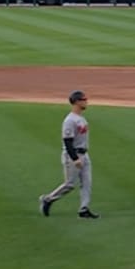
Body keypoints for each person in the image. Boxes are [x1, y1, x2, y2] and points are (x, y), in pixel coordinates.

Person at [40, 91, 98, 219]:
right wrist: (75, 158)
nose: (86, 101)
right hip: (72, 155)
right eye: (84, 99)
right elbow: (67, 141)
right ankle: (48, 199)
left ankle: (84, 209)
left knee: (87, 183)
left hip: (84, 154)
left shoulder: (81, 118)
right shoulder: (70, 120)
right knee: (70, 184)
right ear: (76, 101)